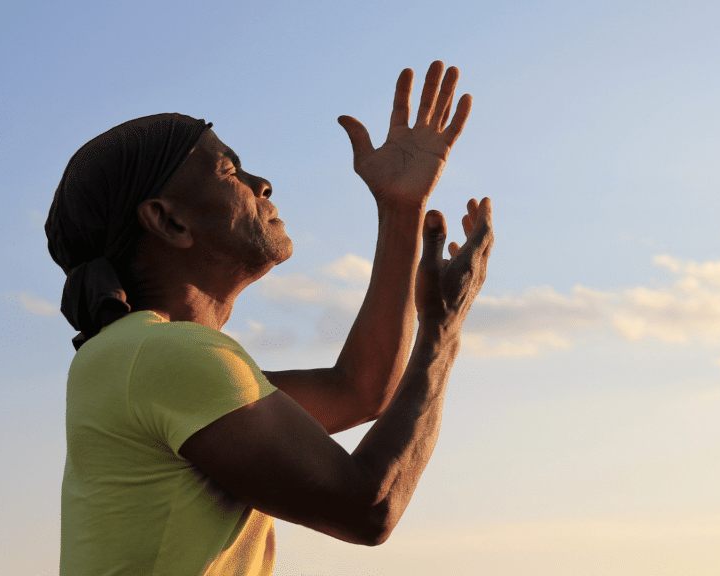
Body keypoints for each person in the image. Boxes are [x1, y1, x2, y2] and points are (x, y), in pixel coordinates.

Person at [46, 61, 493, 575]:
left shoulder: (139, 358)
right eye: (229, 171)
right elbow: (368, 508)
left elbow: (363, 390)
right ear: (169, 220)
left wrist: (400, 208)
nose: (262, 183)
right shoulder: (163, 355)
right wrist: (441, 332)